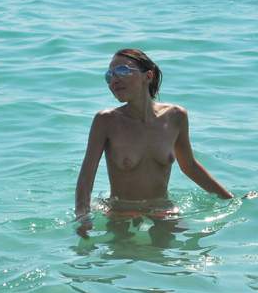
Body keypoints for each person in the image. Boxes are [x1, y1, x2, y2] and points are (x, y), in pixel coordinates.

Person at [74, 49, 233, 237]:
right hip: (121, 212)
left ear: (148, 76)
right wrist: (83, 217)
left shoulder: (176, 117)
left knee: (193, 251)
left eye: (122, 71)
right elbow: (87, 176)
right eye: (109, 75)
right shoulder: (106, 121)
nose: (114, 80)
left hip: (163, 211)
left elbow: (190, 166)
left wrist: (230, 200)